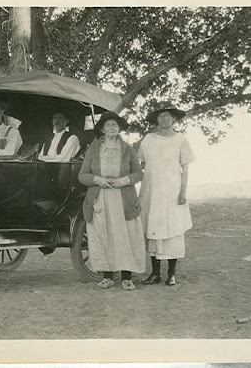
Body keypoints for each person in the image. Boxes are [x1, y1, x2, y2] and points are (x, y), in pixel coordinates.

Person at [78, 111, 145, 290]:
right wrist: (97, 180)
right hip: (100, 198)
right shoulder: (94, 149)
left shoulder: (127, 149)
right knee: (104, 235)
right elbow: (82, 175)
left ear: (119, 128)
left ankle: (126, 277)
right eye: (108, 125)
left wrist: (125, 180)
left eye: (115, 125)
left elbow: (139, 173)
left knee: (125, 236)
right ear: (102, 129)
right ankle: (107, 277)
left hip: (123, 199)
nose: (112, 127)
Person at [138, 102, 196, 286]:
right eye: (160, 116)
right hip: (152, 192)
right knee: (153, 229)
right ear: (156, 119)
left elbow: (185, 168)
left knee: (172, 230)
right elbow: (140, 163)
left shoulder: (180, 139)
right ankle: (155, 273)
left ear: (174, 119)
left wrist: (183, 192)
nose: (163, 118)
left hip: (171, 192)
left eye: (167, 115)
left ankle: (171, 274)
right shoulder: (148, 140)